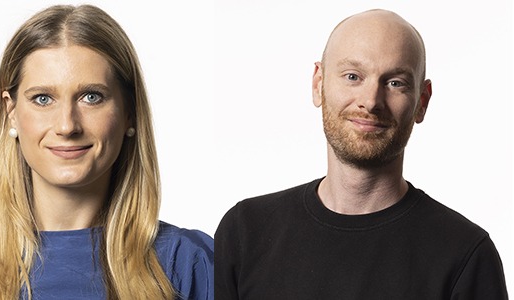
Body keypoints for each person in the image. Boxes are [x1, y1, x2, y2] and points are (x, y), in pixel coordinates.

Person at [0, 4, 213, 300]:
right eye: (43, 98)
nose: (67, 125)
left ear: (129, 113)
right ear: (12, 112)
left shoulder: (190, 264)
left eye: (91, 97)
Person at [215, 9, 508, 300]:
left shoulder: (465, 255)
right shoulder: (245, 232)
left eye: (395, 83)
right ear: (319, 84)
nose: (370, 101)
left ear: (422, 101)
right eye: (353, 76)